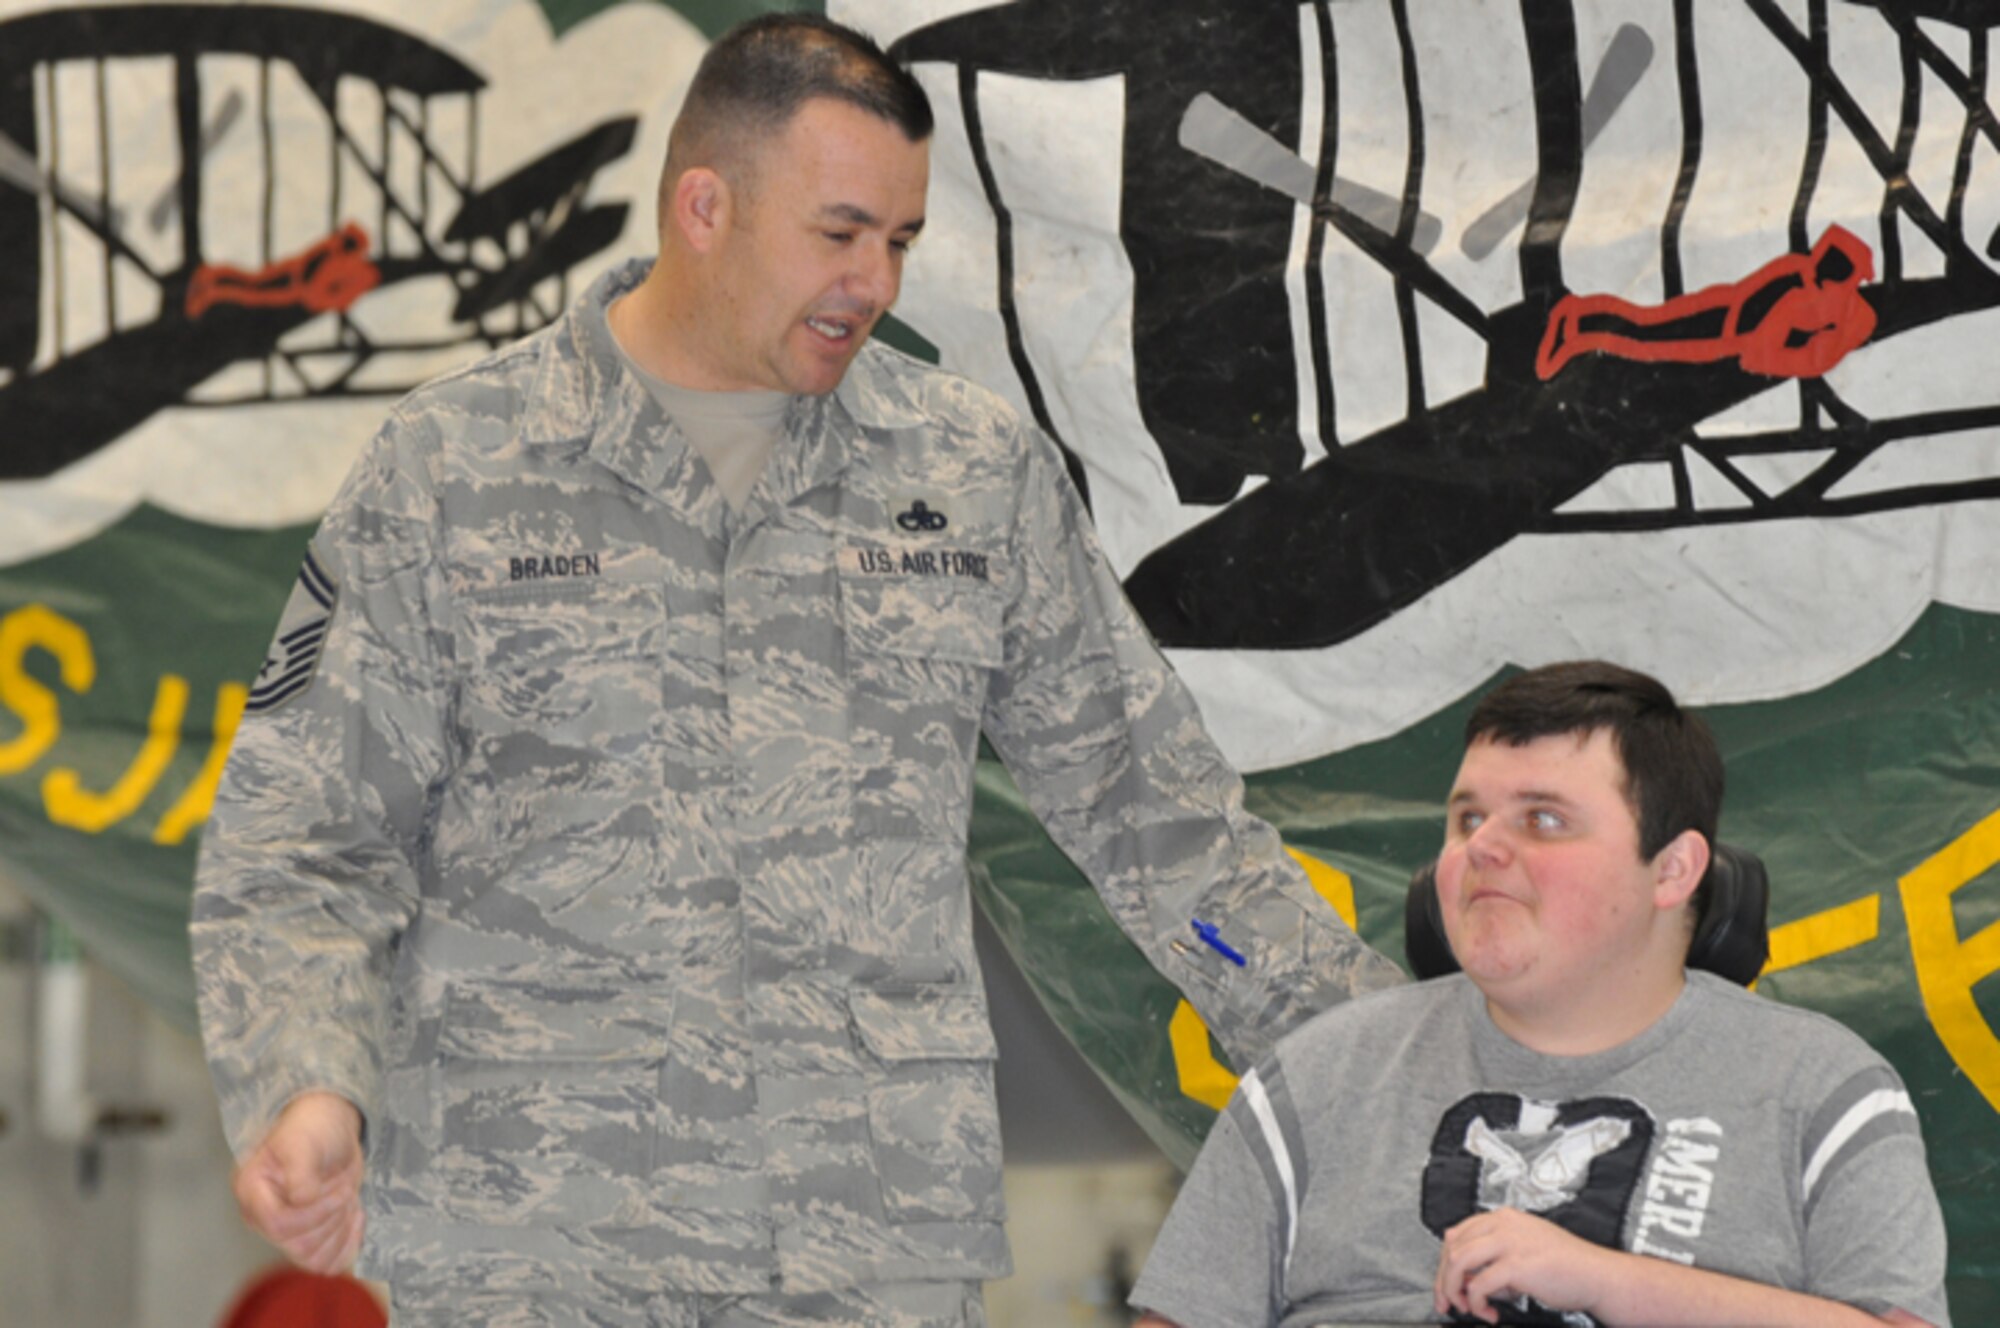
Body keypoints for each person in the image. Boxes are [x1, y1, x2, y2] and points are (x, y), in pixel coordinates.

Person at [189, 14, 1402, 1327]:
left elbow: (1152, 814)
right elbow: (305, 835)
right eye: (838, 233)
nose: (874, 282)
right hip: (538, 1244)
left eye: (900, 241)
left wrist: (1382, 1063)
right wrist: (305, 1077)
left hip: (864, 1245)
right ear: (704, 206)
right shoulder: (452, 468)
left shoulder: (965, 471)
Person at [1129, 661, 1950, 1328]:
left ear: (1674, 871)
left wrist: (1609, 1283)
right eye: (1466, 819)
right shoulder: (1316, 1078)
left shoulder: (1821, 1087)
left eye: (1544, 819)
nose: (1482, 847)